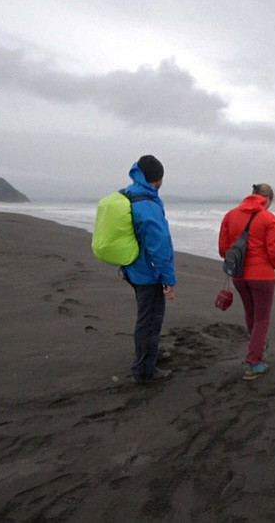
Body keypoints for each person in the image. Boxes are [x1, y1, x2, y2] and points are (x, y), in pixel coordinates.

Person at [219, 183, 275, 380]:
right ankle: (253, 362)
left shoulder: (231, 215)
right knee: (262, 318)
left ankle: (256, 349)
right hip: (262, 275)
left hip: (238, 275)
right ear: (268, 199)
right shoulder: (268, 218)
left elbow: (224, 248)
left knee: (251, 314)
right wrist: (274, 265)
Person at [121, 155, 177, 383]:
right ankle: (144, 370)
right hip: (148, 272)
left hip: (133, 268)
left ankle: (148, 354)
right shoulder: (148, 205)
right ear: (159, 180)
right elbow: (159, 246)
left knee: (146, 317)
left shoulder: (130, 194)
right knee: (150, 320)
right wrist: (168, 279)